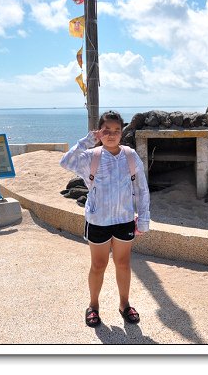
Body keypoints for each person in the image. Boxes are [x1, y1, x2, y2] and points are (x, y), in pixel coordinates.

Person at [59, 110, 150, 327]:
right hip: (98, 220)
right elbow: (66, 161)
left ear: (122, 132)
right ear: (100, 132)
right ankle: (93, 306)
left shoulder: (130, 156)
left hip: (124, 219)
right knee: (98, 265)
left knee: (123, 264)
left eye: (116, 130)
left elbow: (142, 188)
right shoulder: (92, 156)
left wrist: (144, 217)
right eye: (106, 130)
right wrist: (88, 140)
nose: (111, 134)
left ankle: (124, 304)